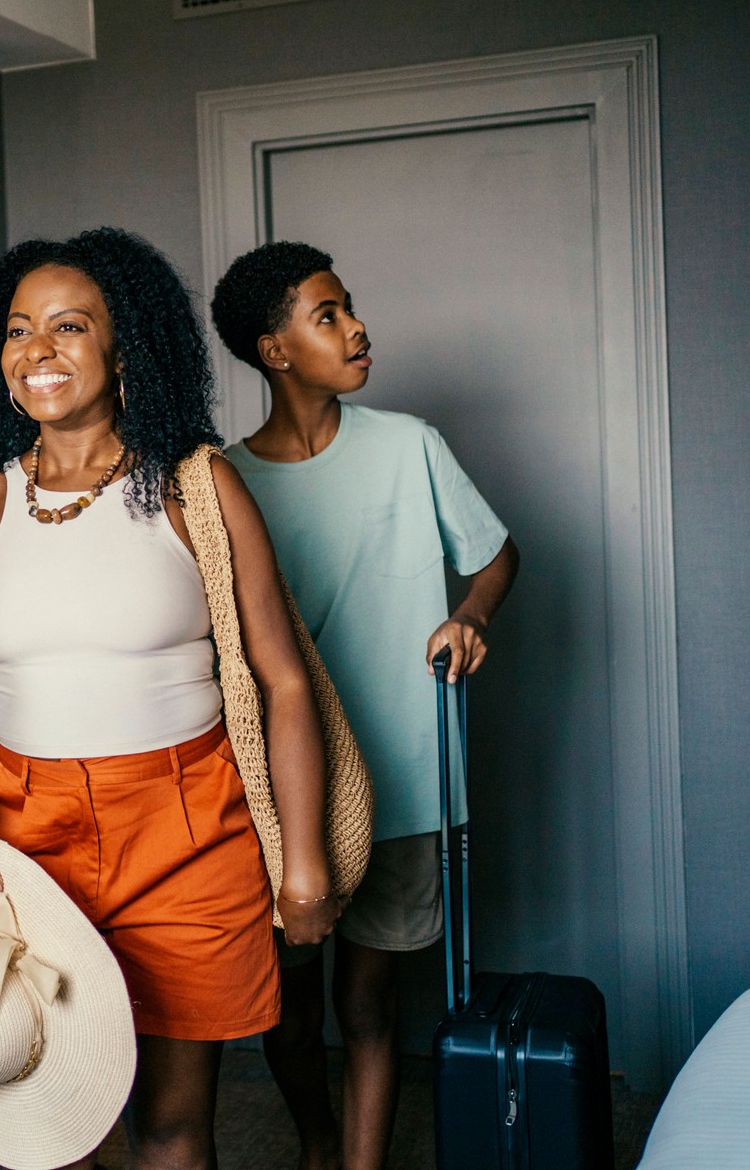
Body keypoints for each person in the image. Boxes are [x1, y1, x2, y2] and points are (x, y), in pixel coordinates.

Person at [0, 227, 343, 1170]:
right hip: (27, 839)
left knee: (170, 1127)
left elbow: (282, 680)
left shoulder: (198, 491)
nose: (39, 352)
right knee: (49, 1125)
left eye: (70, 327)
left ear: (125, 351)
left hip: (187, 828)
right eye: (20, 330)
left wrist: (306, 859)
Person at [210, 241, 520, 1170]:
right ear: (274, 349)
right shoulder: (224, 479)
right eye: (328, 314)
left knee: (371, 1002)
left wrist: (469, 614)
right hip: (289, 795)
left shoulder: (412, 444)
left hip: (408, 776)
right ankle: (315, 1143)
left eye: (349, 308)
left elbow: (497, 554)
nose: (357, 328)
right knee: (293, 1007)